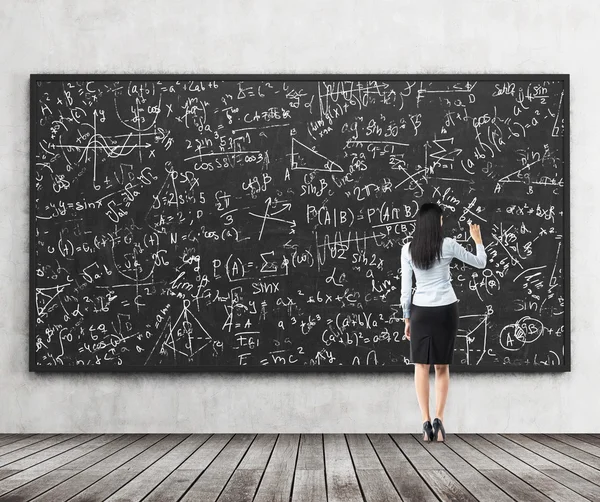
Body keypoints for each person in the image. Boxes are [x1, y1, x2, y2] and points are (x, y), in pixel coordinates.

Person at [400, 202, 486, 442]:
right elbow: (480, 263)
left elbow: (406, 291)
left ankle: (425, 422)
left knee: (420, 366)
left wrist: (407, 318)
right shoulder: (447, 245)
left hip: (420, 311)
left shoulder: (408, 250)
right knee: (442, 366)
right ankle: (439, 421)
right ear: (437, 222)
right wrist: (477, 239)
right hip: (446, 310)